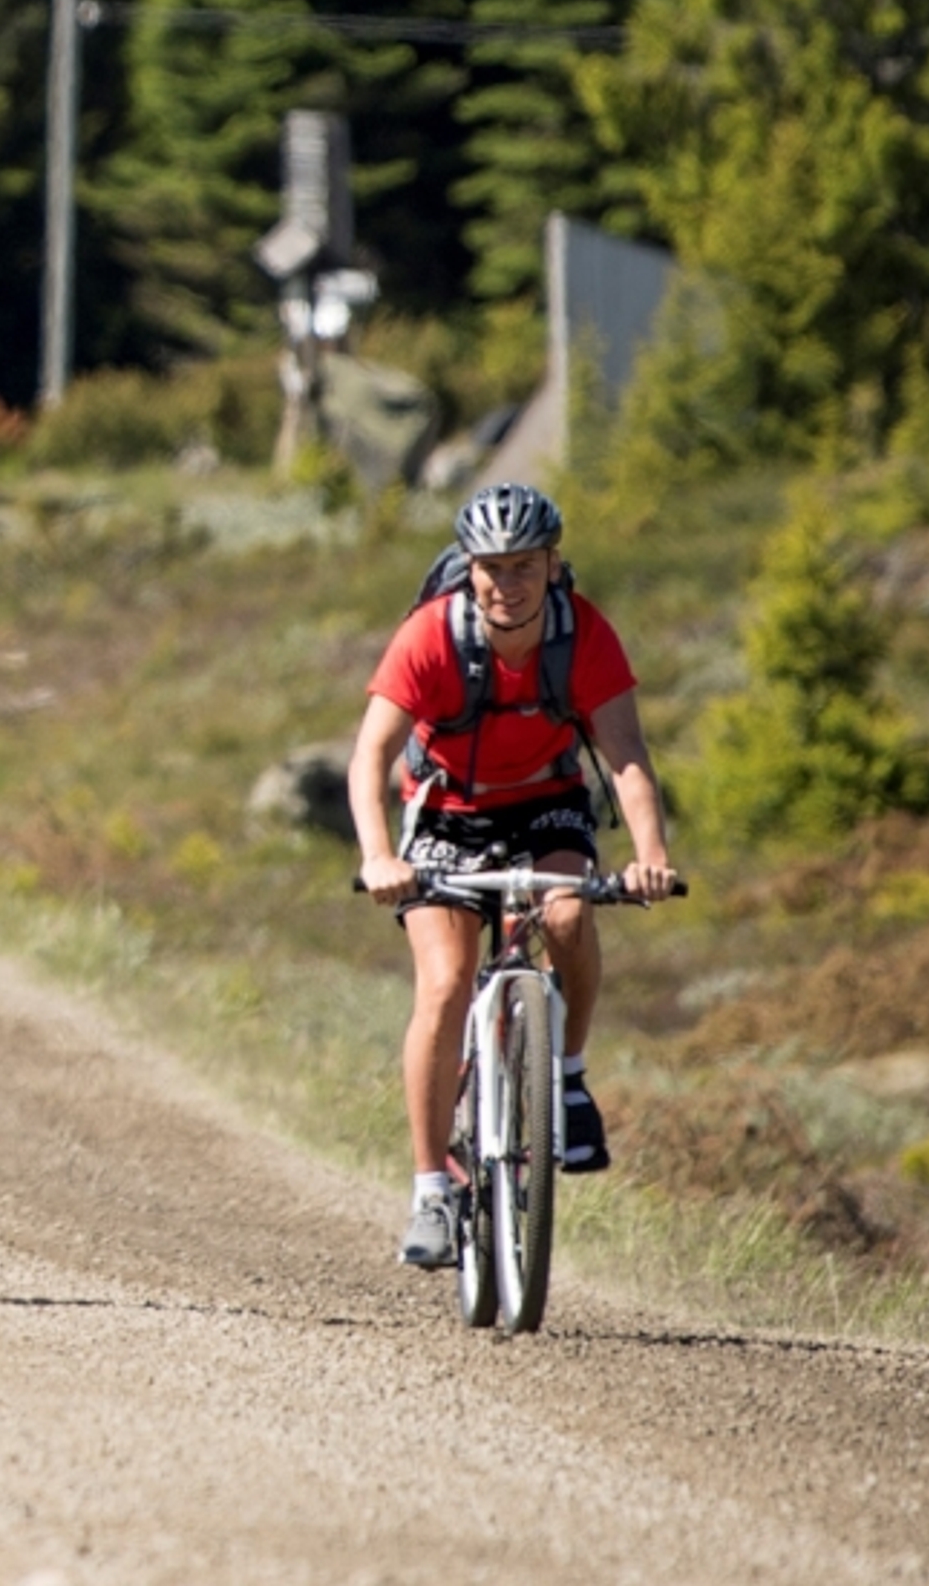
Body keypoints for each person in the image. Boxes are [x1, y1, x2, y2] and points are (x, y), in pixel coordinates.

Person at [345, 480, 678, 1272]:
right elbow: (370, 755)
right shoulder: (432, 636)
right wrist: (376, 857)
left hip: (546, 804)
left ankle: (565, 1075)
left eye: (524, 564)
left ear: (553, 565)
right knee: (445, 982)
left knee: (567, 918)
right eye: (491, 567)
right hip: (446, 814)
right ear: (470, 569)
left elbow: (625, 753)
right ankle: (432, 1188)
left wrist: (651, 855)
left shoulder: (582, 634)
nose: (507, 583)